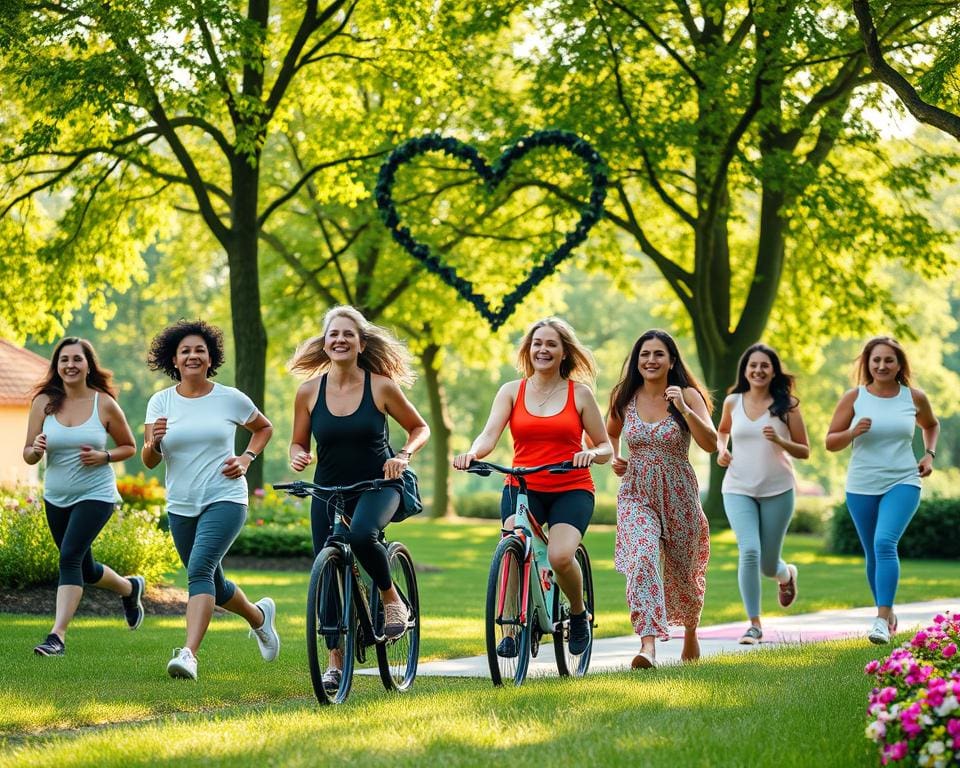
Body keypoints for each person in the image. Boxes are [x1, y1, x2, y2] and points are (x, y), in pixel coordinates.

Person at [288, 306, 430, 693]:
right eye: (333, 334)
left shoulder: (381, 386)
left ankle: (390, 599)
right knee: (328, 573)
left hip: (378, 484)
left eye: (348, 334)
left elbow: (419, 427)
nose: (340, 340)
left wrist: (403, 456)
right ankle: (335, 662)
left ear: (360, 343)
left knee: (363, 534)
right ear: (325, 342)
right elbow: (298, 442)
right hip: (328, 491)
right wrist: (298, 455)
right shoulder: (308, 392)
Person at [453, 317, 612, 657]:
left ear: (563, 352)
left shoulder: (579, 394)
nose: (543, 349)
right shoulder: (512, 391)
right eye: (537, 343)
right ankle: (511, 629)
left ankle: (578, 612)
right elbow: (489, 434)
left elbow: (606, 447)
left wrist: (590, 453)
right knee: (512, 548)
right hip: (522, 485)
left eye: (551, 344)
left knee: (559, 556)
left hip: (571, 487)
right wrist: (473, 452)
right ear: (528, 350)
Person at [142, 320, 278, 680]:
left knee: (198, 571)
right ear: (174, 358)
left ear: (210, 357)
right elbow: (149, 460)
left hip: (226, 497)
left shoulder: (229, 398)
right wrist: (153, 442)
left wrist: (247, 457)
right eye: (185, 350)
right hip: (181, 505)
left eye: (199, 350)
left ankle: (188, 654)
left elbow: (264, 428)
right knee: (213, 584)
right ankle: (259, 618)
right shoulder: (160, 402)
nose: (192, 355)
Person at [23, 337, 143, 656]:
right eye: (64, 360)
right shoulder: (44, 402)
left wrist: (105, 456)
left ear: (88, 364)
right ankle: (130, 589)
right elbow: (28, 454)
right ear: (57, 365)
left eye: (77, 359)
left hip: (96, 494)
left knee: (69, 557)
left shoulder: (102, 402)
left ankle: (56, 636)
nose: (71, 365)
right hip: (56, 496)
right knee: (84, 568)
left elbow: (129, 446)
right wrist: (34, 451)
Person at [607, 329, 716, 669]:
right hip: (636, 493)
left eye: (658, 354)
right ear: (637, 361)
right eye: (644, 354)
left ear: (671, 360)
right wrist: (615, 456)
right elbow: (608, 430)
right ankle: (648, 646)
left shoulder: (686, 395)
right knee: (642, 557)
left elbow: (711, 443)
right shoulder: (625, 397)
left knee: (685, 572)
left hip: (679, 493)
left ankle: (691, 631)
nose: (650, 360)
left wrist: (683, 408)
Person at [826, 336, 939, 644]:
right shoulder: (855, 397)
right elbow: (830, 442)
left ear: (900, 364)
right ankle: (887, 614)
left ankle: (879, 620)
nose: (882, 365)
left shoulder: (913, 397)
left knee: (884, 542)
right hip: (861, 485)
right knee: (873, 554)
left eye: (889, 360)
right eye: (876, 360)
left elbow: (931, 425)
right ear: (867, 363)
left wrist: (929, 454)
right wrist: (852, 431)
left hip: (903, 480)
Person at [716, 343, 810, 645]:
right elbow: (723, 432)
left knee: (768, 564)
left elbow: (805, 450)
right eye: (752, 365)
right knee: (750, 551)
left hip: (778, 489)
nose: (758, 370)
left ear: (773, 371)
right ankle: (754, 625)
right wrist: (721, 450)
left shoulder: (787, 407)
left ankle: (786, 575)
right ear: (745, 370)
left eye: (764, 366)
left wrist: (781, 442)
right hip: (737, 487)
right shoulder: (733, 401)